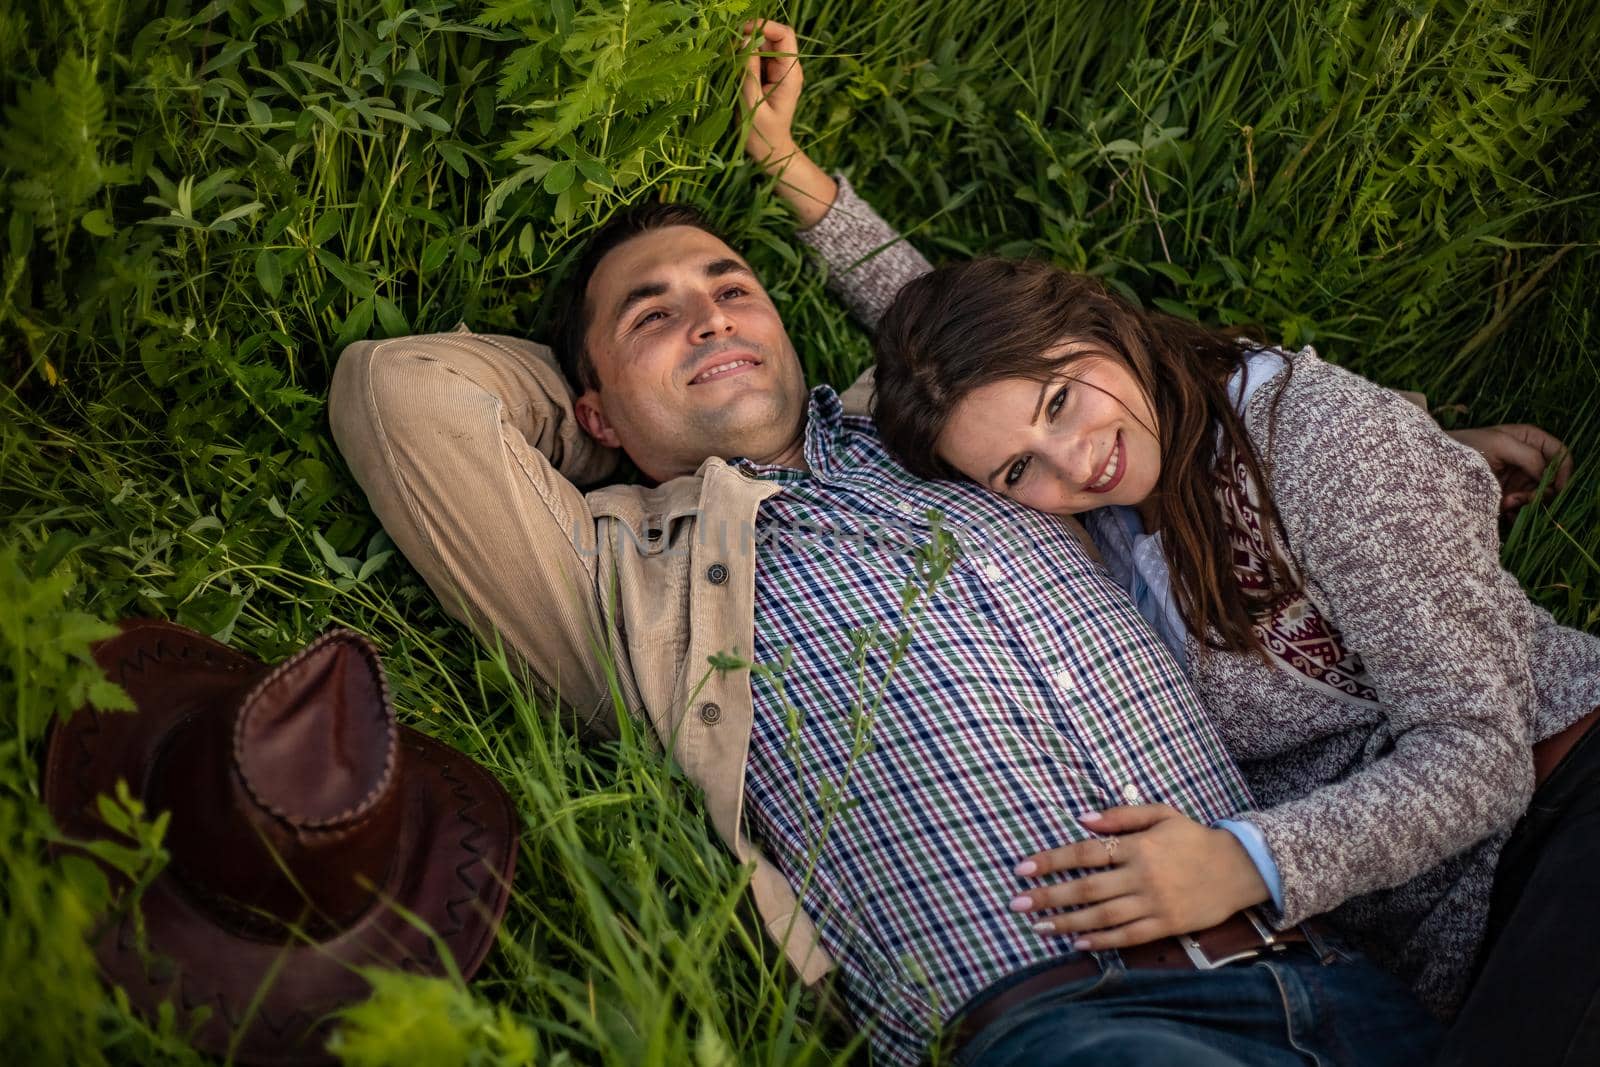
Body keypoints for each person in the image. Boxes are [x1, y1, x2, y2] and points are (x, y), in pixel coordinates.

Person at [326, 19, 1555, 1066]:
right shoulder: (617, 564)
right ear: (589, 409)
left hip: (1340, 969)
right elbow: (399, 393)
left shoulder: (935, 436)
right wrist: (607, 427)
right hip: (1074, 1022)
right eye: (654, 318)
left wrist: (1410, 451)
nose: (710, 315)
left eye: (732, 286)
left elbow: (983, 344)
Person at [828, 39, 1600, 1067]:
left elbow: (1481, 753)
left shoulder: (1322, 440)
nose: (1074, 458)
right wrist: (800, 187)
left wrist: (1243, 862)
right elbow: (959, 355)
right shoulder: (1094, 505)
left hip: (1561, 805)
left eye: (1064, 400)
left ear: (1101, 323)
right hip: (1442, 926)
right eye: (1018, 470)